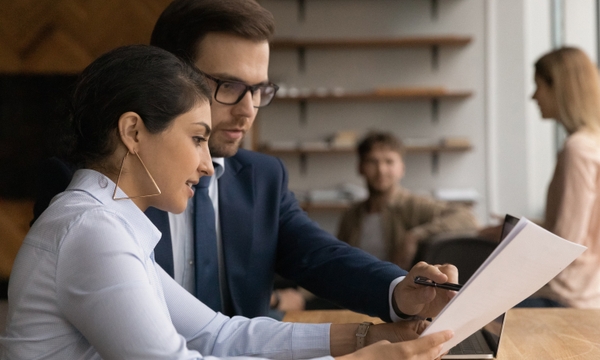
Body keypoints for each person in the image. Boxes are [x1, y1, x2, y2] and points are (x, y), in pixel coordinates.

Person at [0, 44, 455, 360]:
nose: (206, 164)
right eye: (197, 139)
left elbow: (216, 334)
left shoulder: (103, 221)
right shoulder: (92, 231)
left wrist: (370, 337)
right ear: (133, 132)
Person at [517, 47, 600, 308]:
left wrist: (517, 237)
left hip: (568, 295)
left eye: (538, 86)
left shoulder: (577, 149)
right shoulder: (593, 143)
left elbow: (568, 243)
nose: (534, 96)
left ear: (559, 88)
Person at [337, 132, 479, 269]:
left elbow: (466, 217)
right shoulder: (351, 215)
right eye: (372, 162)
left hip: (396, 289)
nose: (381, 170)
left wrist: (415, 235)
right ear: (360, 168)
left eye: (389, 161)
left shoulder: (413, 205)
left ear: (402, 168)